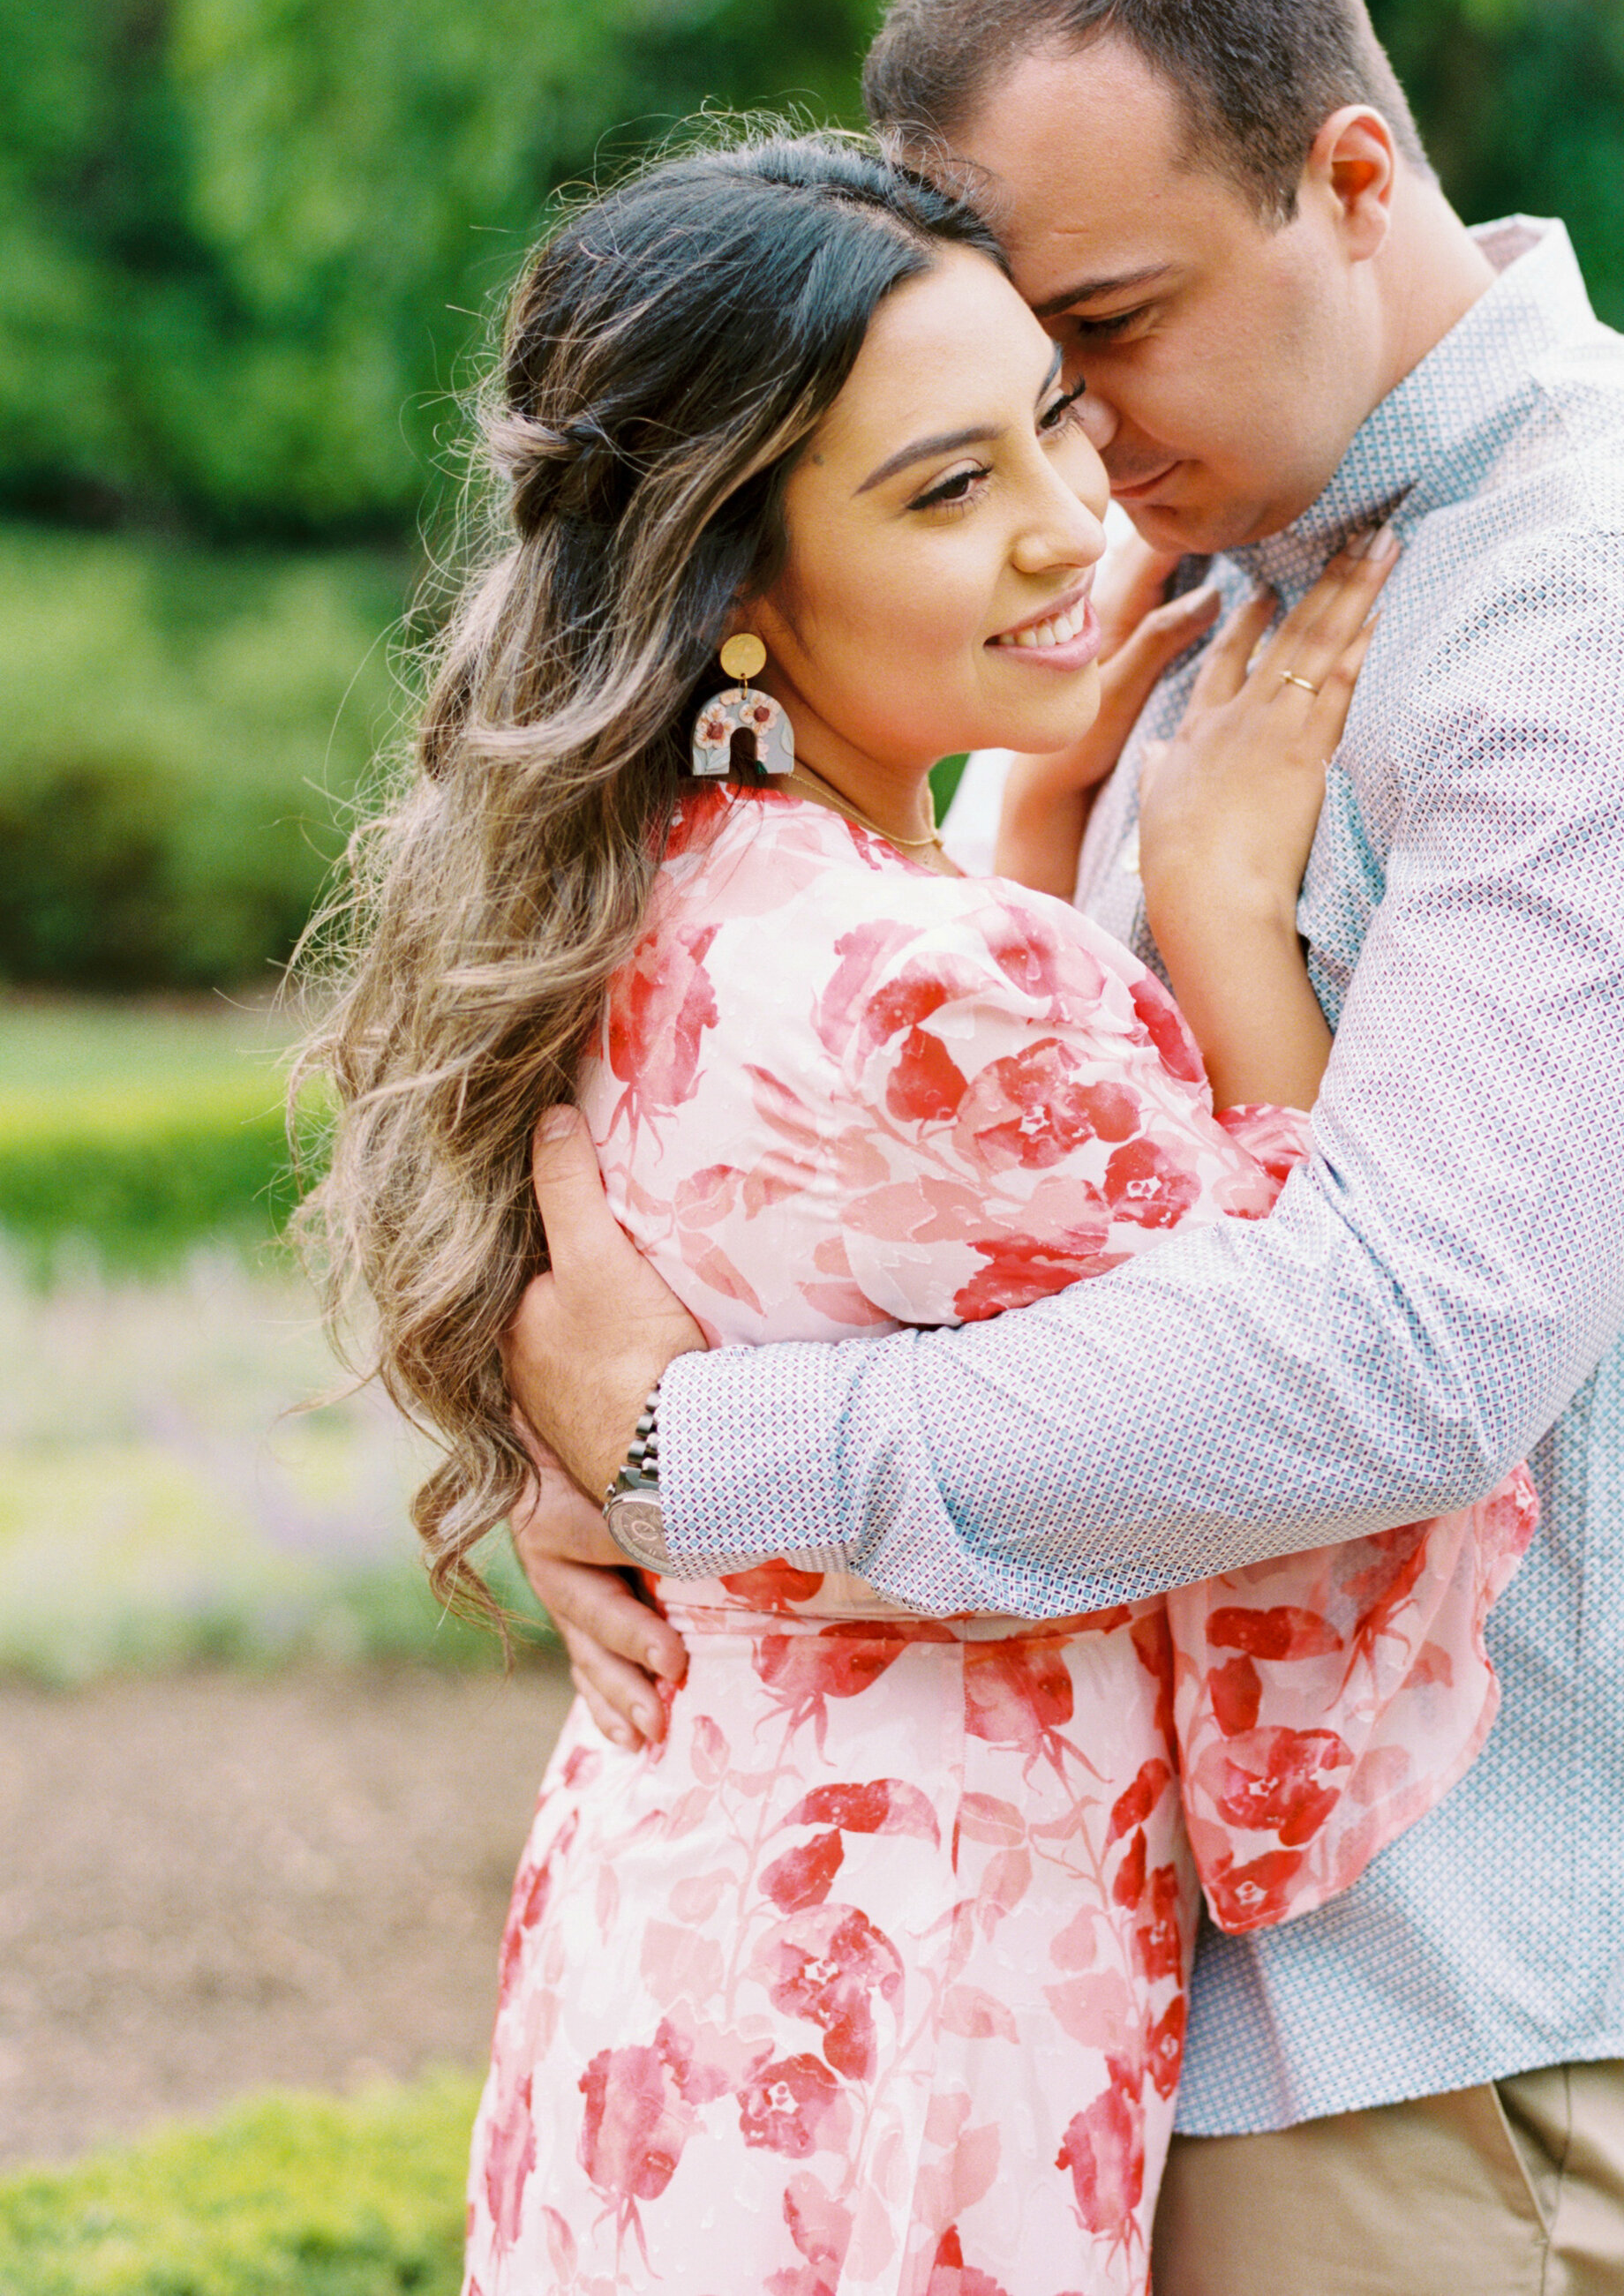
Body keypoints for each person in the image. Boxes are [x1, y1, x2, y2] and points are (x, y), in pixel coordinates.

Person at [509, 0, 1624, 2296]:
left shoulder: (1620, 600)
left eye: (1113, 331)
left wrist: (693, 1448)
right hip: (1132, 1989)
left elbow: (1401, 1342)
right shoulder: (1217, 581)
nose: (1077, 451)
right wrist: (606, 1461)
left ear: (1350, 172)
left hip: (1445, 2032)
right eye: (1006, 396)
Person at [301, 129, 1537, 2293]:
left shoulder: (644, 902)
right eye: (946, 486)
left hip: (674, 1925)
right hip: (920, 1978)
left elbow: (877, 1222)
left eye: (1053, 419)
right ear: (736, 588)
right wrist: (1222, 913)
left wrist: (1029, 814)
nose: (1071, 522)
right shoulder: (941, 983)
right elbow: (1327, 1413)